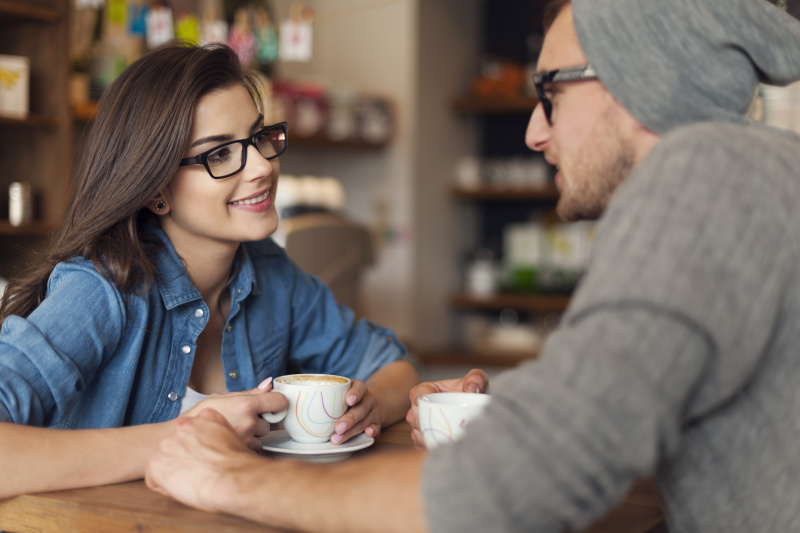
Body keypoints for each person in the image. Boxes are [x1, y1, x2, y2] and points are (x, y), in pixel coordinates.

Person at [145, 0, 800, 531]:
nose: (533, 133)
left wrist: (233, 477)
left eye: (550, 92)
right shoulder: (752, 176)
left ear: (638, 77)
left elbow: (515, 489)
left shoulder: (705, 179)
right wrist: (516, 412)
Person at [0, 41, 419, 499]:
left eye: (259, 137)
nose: (262, 166)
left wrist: (369, 408)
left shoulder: (271, 275)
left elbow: (394, 368)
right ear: (155, 189)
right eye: (218, 154)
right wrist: (187, 436)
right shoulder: (102, 290)